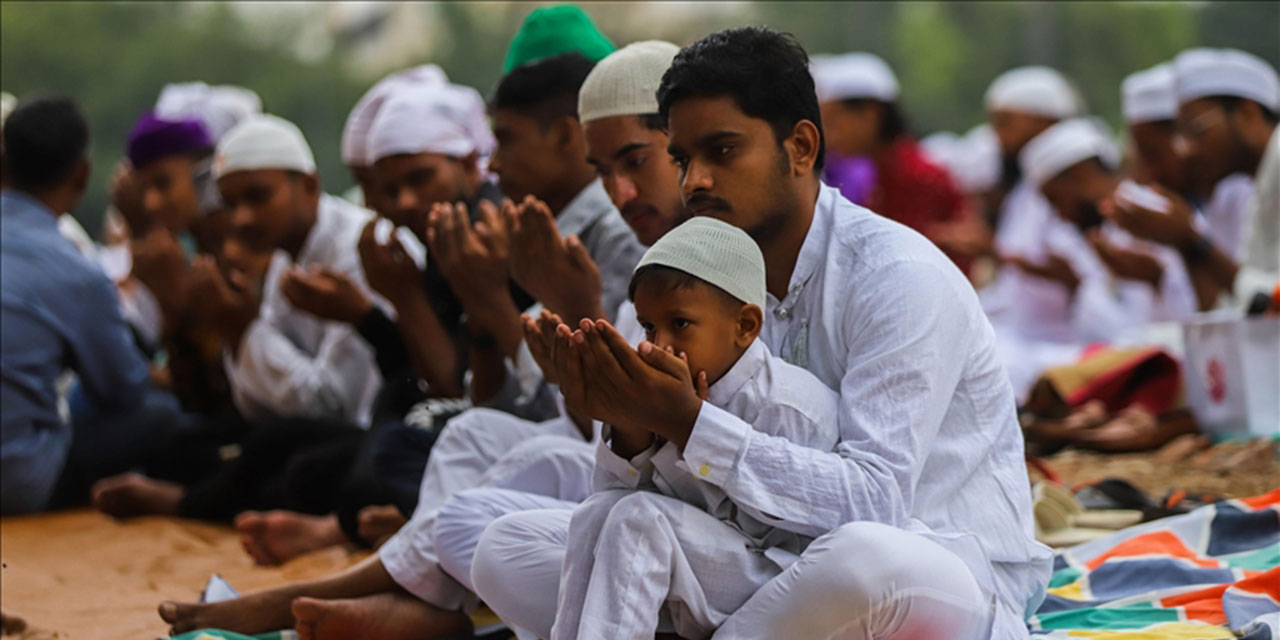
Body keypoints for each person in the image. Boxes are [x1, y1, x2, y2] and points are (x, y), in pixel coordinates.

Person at [473, 27, 1049, 640]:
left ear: (800, 147)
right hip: (771, 564)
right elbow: (643, 506)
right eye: (682, 159)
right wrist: (633, 431)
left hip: (932, 571)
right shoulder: (706, 284)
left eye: (721, 152)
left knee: (865, 561)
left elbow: (875, 503)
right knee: (509, 546)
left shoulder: (896, 276)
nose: (694, 181)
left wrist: (691, 426)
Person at [156, 37, 685, 640]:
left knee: (402, 465)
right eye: (380, 186)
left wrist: (458, 304)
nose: (496, 164)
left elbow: (595, 424)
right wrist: (470, 306)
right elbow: (507, 403)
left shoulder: (607, 237)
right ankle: (413, 597)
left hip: (676, 514)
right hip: (598, 466)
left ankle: (379, 592)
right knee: (459, 445)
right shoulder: (528, 229)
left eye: (502, 143)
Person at [545, 216, 843, 639]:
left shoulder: (789, 405)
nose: (658, 344)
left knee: (637, 519)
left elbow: (765, 525)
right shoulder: (665, 387)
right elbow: (614, 493)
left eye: (680, 324)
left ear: (745, 326)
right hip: (704, 569)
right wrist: (631, 428)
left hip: (785, 582)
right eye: (648, 326)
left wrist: (693, 427)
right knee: (597, 514)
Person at [0, 96, 169, 515]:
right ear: (82, 174)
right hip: (18, 483)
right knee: (161, 415)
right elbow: (120, 391)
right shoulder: (77, 270)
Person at [1107, 48, 1279, 307]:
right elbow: (1240, 308)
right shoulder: (1262, 184)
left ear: (1248, 115)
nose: (1184, 150)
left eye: (1194, 131)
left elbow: (1270, 300)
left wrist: (1194, 242)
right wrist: (1187, 244)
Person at [811, 52, 970, 268]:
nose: (826, 133)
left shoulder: (915, 175)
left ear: (870, 114)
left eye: (832, 121)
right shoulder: (878, 170)